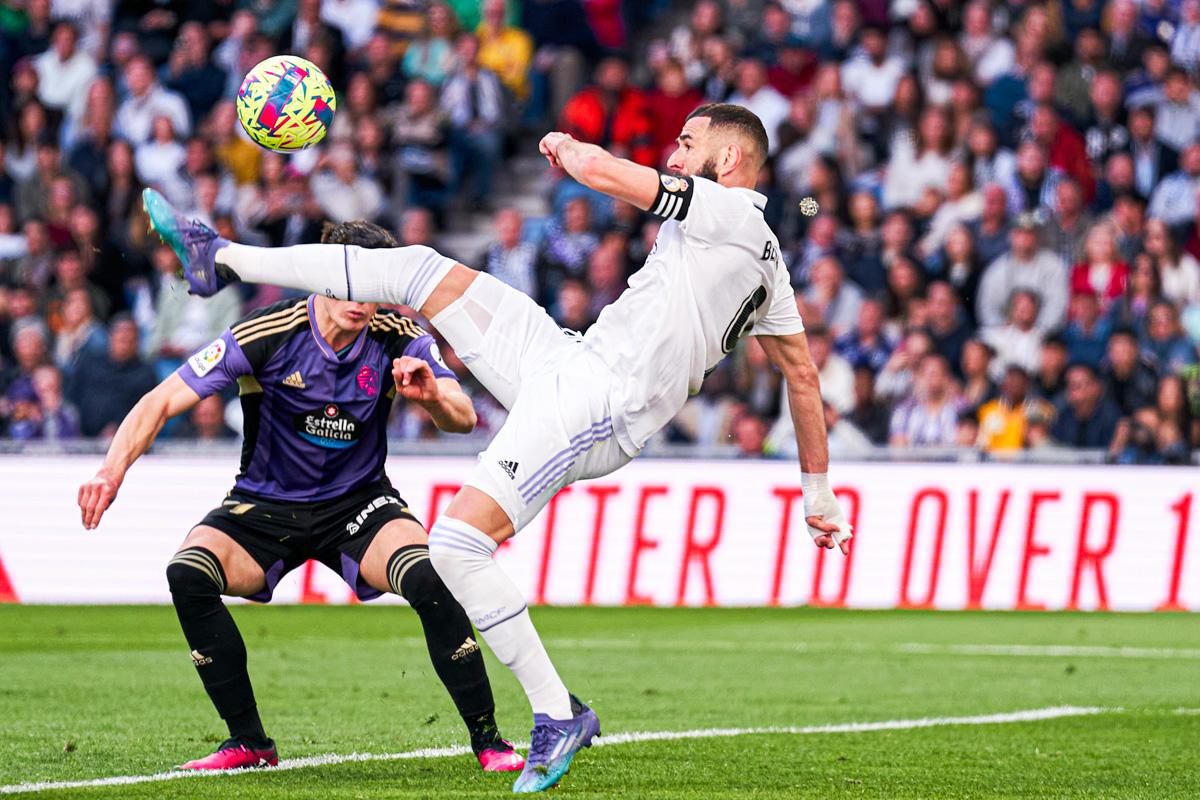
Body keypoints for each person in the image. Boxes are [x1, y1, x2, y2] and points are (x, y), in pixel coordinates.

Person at [142, 103, 852, 793]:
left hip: (599, 404)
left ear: (728, 159)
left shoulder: (726, 211)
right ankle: (222, 257)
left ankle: (555, 713)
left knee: (451, 547)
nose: (674, 153)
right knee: (418, 268)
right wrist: (817, 496)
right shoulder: (769, 265)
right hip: (565, 360)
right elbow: (802, 376)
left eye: (686, 142)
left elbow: (610, 175)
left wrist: (572, 152)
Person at [76, 222, 523, 776]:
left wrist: (431, 395)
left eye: (374, 286)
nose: (364, 301)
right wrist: (110, 472)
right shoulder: (266, 332)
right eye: (351, 283)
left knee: (429, 574)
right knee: (189, 574)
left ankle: (490, 741)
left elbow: (464, 415)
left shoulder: (397, 336)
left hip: (359, 507)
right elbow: (163, 400)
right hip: (263, 506)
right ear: (322, 275)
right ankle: (248, 742)